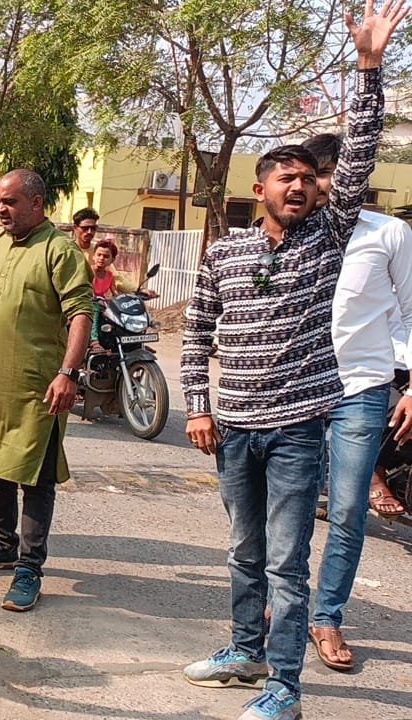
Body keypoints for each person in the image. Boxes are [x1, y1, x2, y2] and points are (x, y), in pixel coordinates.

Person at [179, 5, 399, 718]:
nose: (301, 186)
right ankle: (244, 650)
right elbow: (196, 332)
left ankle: (286, 688)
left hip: (300, 428)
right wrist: (200, 408)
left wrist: (368, 70)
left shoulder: (326, 242)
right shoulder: (224, 252)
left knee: (284, 561)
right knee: (243, 553)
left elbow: (361, 151)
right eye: (287, 179)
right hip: (233, 428)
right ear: (260, 191)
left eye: (310, 178)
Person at [0, 169, 93, 613]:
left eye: (10, 202)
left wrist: (68, 372)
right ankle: (1, 542)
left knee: (35, 477)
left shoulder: (60, 250)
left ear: (37, 202)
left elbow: (81, 314)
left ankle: (29, 567)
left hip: (40, 387)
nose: (1, 210)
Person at [300, 131, 412, 672]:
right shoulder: (294, 236)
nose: (334, 184)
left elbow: (409, 313)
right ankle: (287, 604)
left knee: (346, 511)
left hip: (362, 388)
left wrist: (411, 385)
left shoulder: (389, 233)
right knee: (290, 509)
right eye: (323, 174)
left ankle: (327, 617)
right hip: (297, 387)